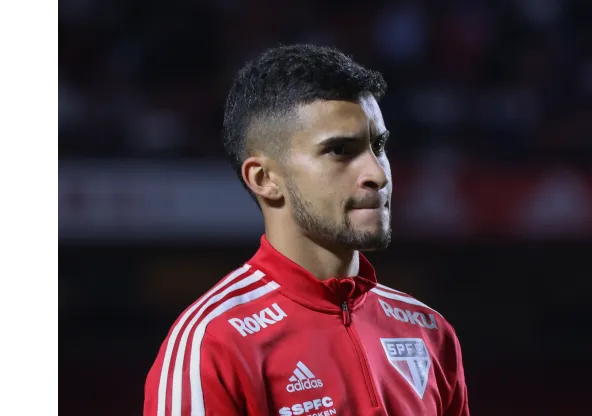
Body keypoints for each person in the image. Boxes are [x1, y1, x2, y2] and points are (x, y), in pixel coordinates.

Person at [143, 44, 469, 416]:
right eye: (340, 151)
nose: (378, 175)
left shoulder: (429, 332)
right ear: (265, 179)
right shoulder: (213, 343)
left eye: (378, 146)